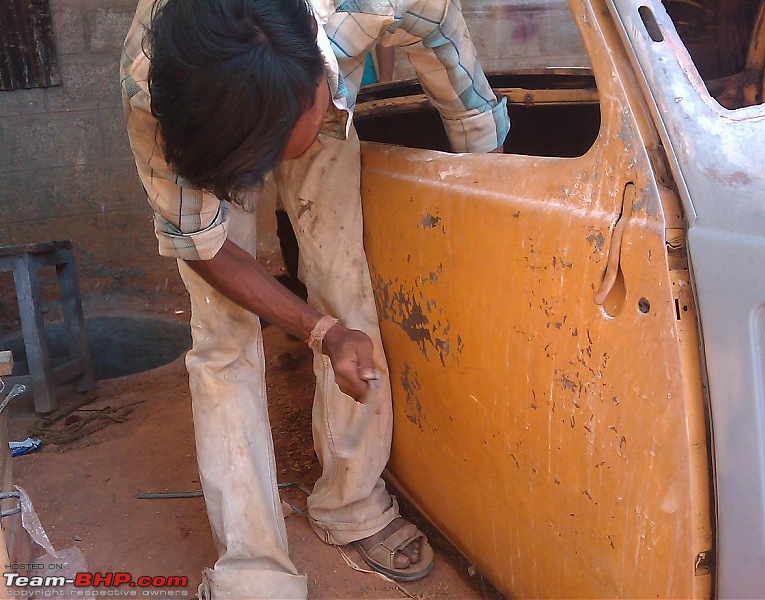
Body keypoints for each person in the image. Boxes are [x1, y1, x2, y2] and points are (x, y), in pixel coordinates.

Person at [120, 0, 509, 597]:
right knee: (224, 339)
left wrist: (488, 170)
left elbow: (443, 38)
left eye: (279, 146)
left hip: (319, 106)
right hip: (232, 116)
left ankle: (351, 505)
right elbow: (202, 245)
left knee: (345, 281)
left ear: (318, 74)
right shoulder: (157, 86)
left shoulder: (373, 4)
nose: (273, 172)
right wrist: (318, 331)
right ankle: (253, 568)